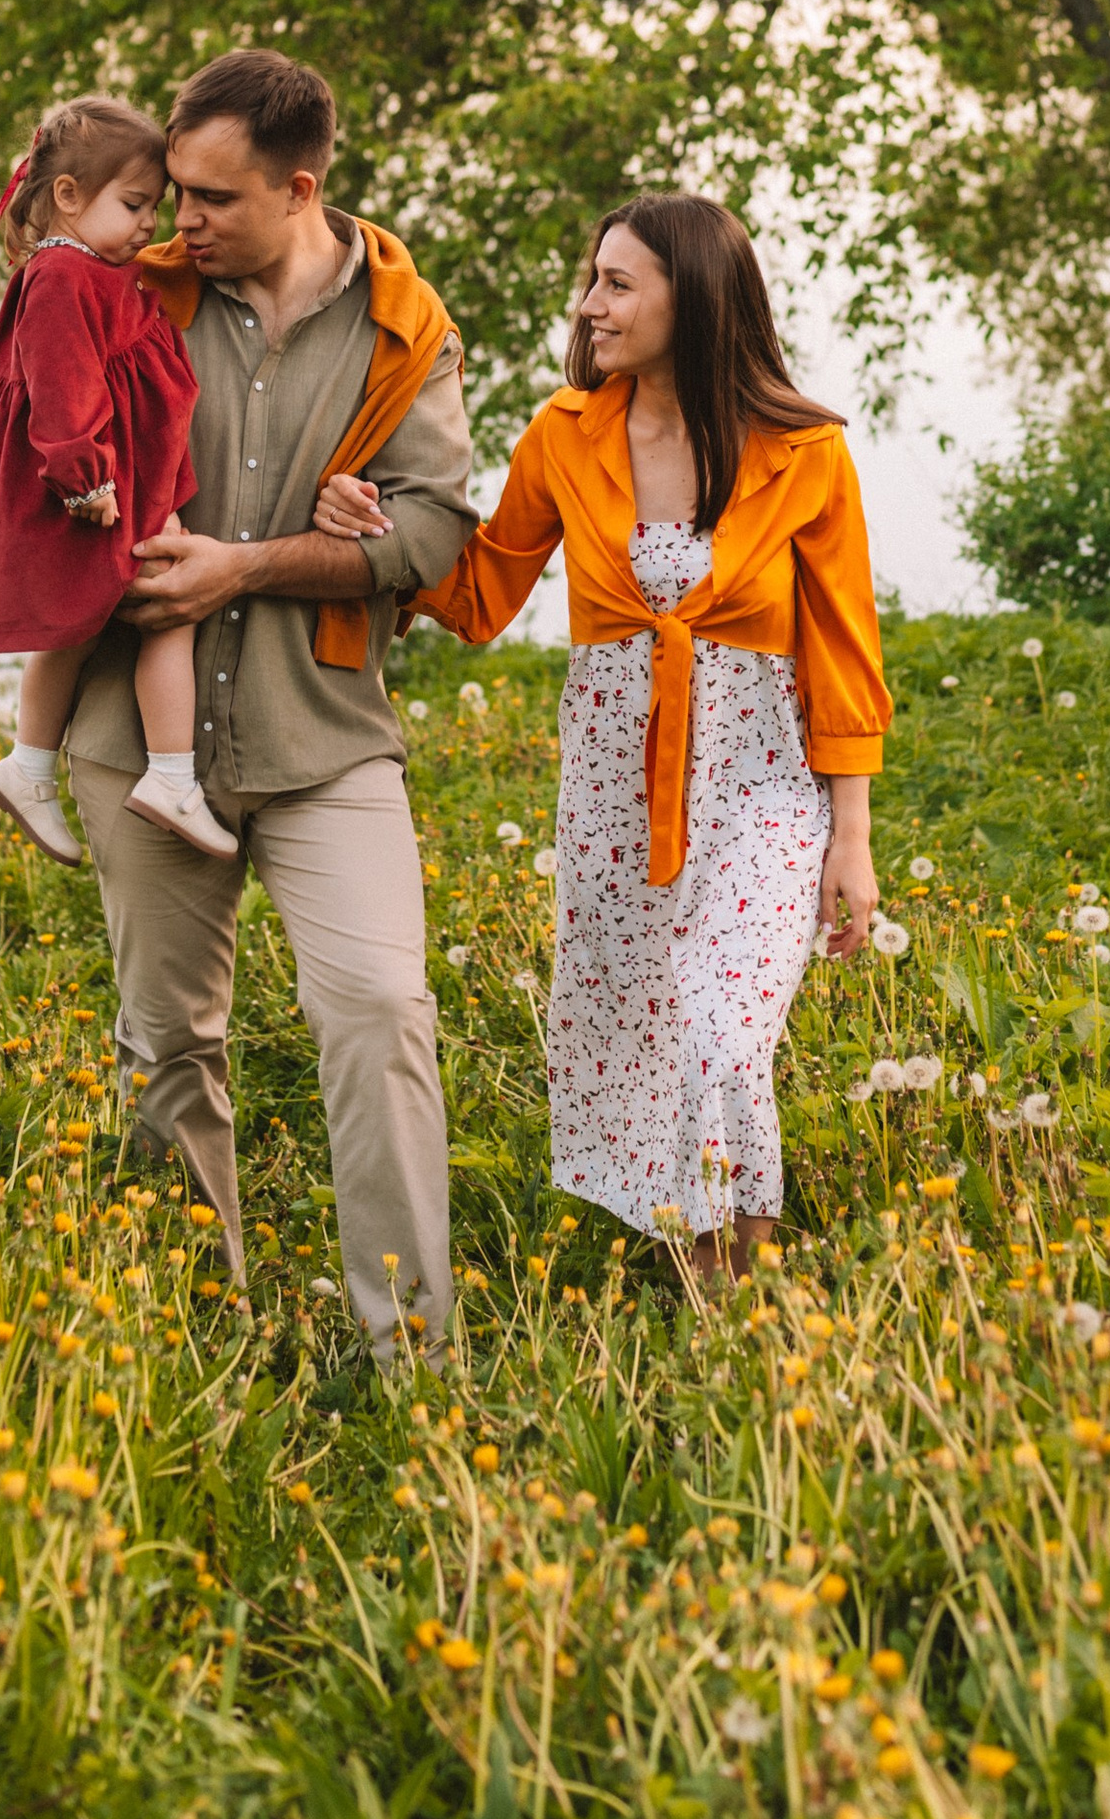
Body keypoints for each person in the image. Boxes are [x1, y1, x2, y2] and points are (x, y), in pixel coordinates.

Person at [330, 192, 889, 1277]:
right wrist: (380, 532)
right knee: (641, 1036)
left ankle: (741, 1311)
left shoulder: (806, 452)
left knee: (725, 1039)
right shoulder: (563, 433)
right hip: (614, 797)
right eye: (592, 280)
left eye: (617, 283)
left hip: (765, 788)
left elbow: (843, 650)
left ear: (699, 297)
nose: (589, 306)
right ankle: (694, 1291)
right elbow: (485, 589)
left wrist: (850, 836)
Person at [61, 49, 477, 1354]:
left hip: (328, 734)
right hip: (138, 737)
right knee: (166, 1041)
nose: (178, 218)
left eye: (213, 200)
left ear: (299, 192)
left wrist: (253, 561)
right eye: (171, 190)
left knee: (380, 1011)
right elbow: (36, 449)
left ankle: (409, 1356)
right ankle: (189, 1341)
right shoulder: (128, 291)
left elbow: (434, 536)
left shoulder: (408, 327)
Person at [0, 92, 239, 866]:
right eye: (136, 204)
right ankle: (168, 776)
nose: (152, 224)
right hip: (92, 497)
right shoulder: (59, 275)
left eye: (157, 206)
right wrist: (85, 480)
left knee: (83, 631)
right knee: (165, 611)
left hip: (128, 488)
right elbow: (61, 387)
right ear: (69, 198)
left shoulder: (103, 270)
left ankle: (32, 765)